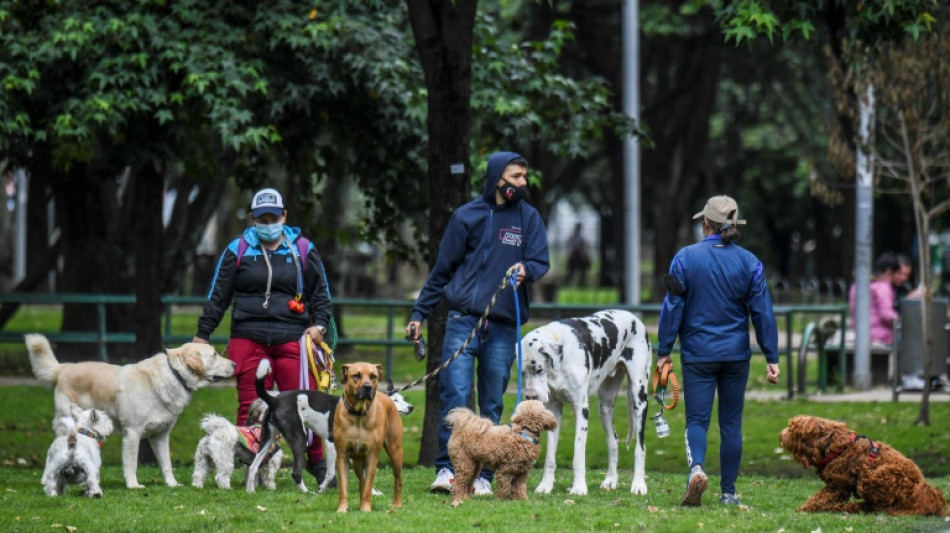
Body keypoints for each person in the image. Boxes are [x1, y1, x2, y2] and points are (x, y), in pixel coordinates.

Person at [405, 151, 550, 496]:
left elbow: (541, 260)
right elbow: (441, 271)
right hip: (462, 320)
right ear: (497, 177)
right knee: (454, 394)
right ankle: (447, 470)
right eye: (515, 177)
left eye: (524, 177)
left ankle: (485, 475)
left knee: (493, 400)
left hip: (503, 325)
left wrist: (526, 269)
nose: (522, 183)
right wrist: (418, 314)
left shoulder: (528, 218)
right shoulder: (466, 216)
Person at [192, 187, 334, 483]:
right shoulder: (238, 249)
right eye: (261, 217)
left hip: (293, 338)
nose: (268, 222)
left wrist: (319, 324)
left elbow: (320, 294)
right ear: (252, 218)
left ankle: (317, 463)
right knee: (250, 405)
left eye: (273, 216)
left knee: (305, 404)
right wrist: (202, 334)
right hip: (248, 338)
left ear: (284, 215)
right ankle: (249, 466)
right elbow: (218, 296)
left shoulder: (304, 250)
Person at [657, 194, 780, 507]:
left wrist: (663, 350)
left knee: (697, 421)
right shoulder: (750, 262)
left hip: (698, 354)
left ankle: (697, 469)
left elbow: (673, 307)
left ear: (705, 224)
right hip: (736, 355)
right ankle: (728, 493)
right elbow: (762, 312)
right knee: (730, 424)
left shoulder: (684, 258)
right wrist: (771, 356)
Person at [847, 252, 900, 346]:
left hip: (857, 334)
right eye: (897, 274)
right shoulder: (882, 287)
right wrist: (900, 319)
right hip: (879, 337)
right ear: (888, 272)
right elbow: (886, 315)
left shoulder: (856, 285)